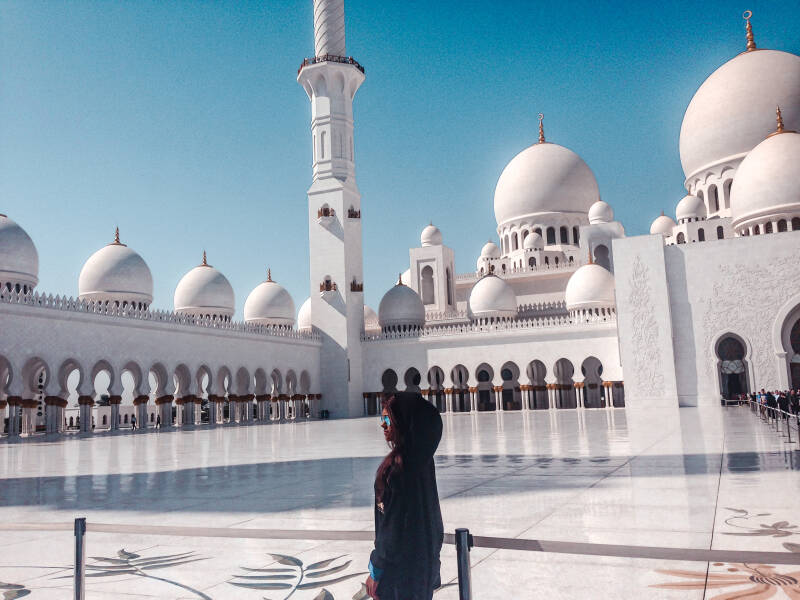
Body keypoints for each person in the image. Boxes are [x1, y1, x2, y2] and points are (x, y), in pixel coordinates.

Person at [366, 393, 443, 600]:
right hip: (421, 569)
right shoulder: (423, 463)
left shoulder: (396, 470)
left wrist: (376, 570)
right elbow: (435, 521)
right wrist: (433, 563)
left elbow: (390, 529)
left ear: (403, 422)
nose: (383, 425)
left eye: (387, 419)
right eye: (382, 419)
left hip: (397, 576)